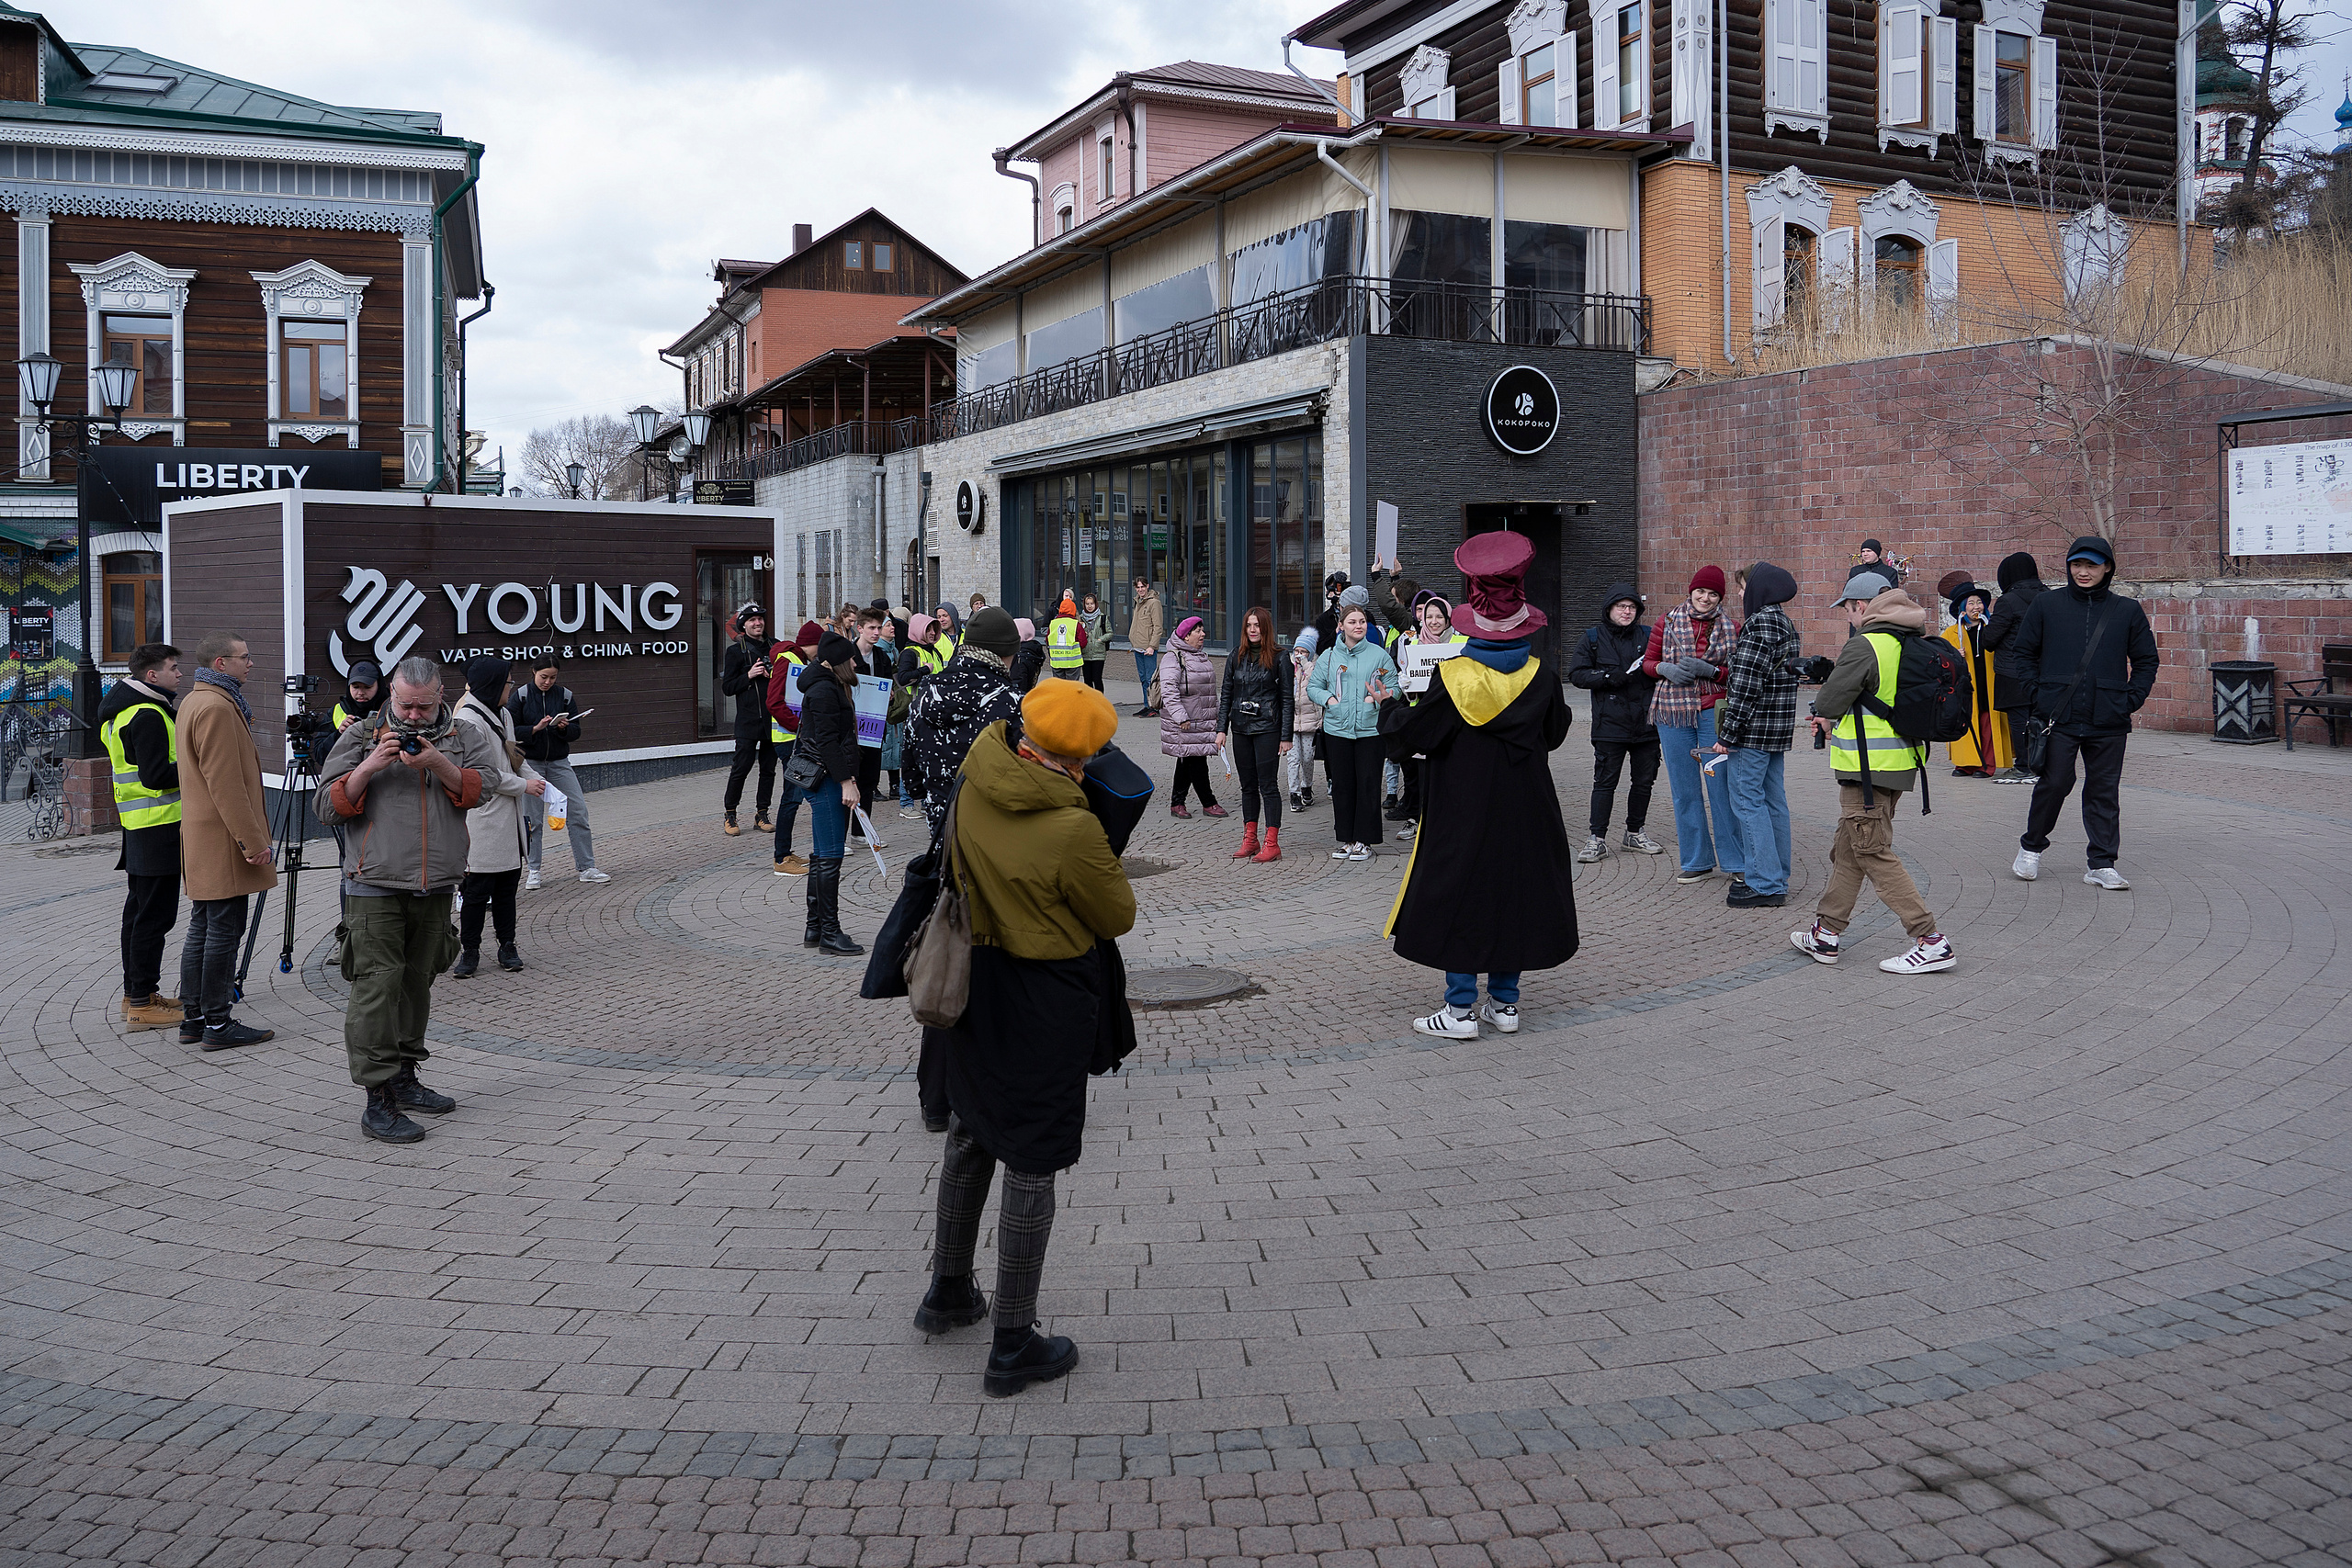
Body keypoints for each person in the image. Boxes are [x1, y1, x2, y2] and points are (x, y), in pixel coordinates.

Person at [914, 679, 1135, 1398]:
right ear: (1075, 758)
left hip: (977, 978)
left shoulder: (976, 775)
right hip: (1044, 995)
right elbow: (1117, 911)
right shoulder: (1073, 827)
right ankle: (1013, 1341)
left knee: (973, 1129)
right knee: (1032, 1156)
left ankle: (949, 1289)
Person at [1379, 531, 1577, 1039]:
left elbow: (1413, 737)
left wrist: (1388, 706)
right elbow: (1555, 735)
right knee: (1513, 890)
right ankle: (1505, 1004)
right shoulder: (1541, 675)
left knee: (1461, 894)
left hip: (1463, 808)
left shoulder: (1454, 674)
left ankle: (1461, 1010)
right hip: (1527, 805)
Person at [316, 656, 499, 1142]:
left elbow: (485, 789)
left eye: (423, 706)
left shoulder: (463, 737)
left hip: (436, 882)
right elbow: (326, 807)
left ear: (442, 695)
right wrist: (372, 765)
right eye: (404, 705)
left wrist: (437, 762)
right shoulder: (359, 737)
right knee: (377, 987)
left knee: (418, 981)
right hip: (373, 882)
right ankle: (377, 1100)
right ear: (390, 694)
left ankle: (405, 1078)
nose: (413, 716)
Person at [1792, 584, 1956, 975]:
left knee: (1871, 851)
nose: (1849, 617)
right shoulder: (1909, 642)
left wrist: (1826, 701)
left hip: (1867, 768)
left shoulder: (1867, 644)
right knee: (1851, 847)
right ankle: (1826, 933)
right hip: (1898, 764)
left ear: (1861, 606)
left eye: (1848, 609)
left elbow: (1830, 701)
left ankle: (1930, 939)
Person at [2010, 536, 2159, 891]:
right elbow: (2023, 654)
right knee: (2055, 783)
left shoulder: (2127, 610)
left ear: (2107, 568)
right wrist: (2037, 693)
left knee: (2104, 790)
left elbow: (2145, 660)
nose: (2083, 572)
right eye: (2077, 565)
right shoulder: (2047, 605)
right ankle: (2031, 846)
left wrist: (2131, 699)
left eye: (2092, 565)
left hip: (2108, 716)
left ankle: (2102, 863)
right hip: (2057, 714)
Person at [175, 631, 277, 1050]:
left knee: (203, 925)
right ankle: (217, 1023)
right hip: (223, 838)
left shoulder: (196, 701)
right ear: (221, 663)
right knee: (222, 929)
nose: (250, 663)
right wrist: (252, 842)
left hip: (207, 835)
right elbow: (226, 785)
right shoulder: (216, 707)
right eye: (244, 657)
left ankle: (194, 1018)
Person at [100, 642, 185, 1032]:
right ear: (152, 676)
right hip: (159, 828)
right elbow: (155, 776)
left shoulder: (126, 710)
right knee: (153, 918)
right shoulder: (148, 714)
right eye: (172, 668)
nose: (179, 674)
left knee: (138, 915)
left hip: (142, 829)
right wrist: (196, 765)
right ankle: (141, 1003)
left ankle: (137, 995)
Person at [1644, 567, 1745, 887]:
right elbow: (1647, 662)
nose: (1705, 598)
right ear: (1691, 592)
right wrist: (1665, 669)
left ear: (1720, 598)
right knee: (1684, 791)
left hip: (1713, 714)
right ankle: (1697, 861)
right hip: (1673, 714)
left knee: (1722, 789)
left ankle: (1735, 861)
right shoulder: (1667, 621)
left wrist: (1712, 672)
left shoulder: (1732, 628)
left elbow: (1738, 673)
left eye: (1713, 594)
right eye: (1701, 591)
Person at [1712, 563, 1803, 909]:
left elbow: (1746, 685)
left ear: (1759, 589)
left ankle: (1764, 883)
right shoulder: (1785, 623)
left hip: (1752, 732)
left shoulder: (1760, 623)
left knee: (1747, 803)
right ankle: (1775, 875)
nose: (1739, 593)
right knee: (1773, 802)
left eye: (1743, 587)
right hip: (1776, 730)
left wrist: (1728, 734)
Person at [450, 656, 546, 978]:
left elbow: (513, 757)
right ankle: (470, 951)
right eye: (508, 683)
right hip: (484, 816)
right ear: (493, 685)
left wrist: (537, 780)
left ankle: (508, 945)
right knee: (476, 890)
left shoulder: (501, 712)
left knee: (507, 887)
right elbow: (484, 774)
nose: (511, 688)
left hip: (509, 816)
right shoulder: (467, 719)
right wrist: (524, 785)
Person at [1566, 585, 1664, 863]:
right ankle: (1597, 839)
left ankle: (1635, 832)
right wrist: (1608, 677)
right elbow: (1577, 674)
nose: (1626, 612)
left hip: (1647, 723)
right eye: (1621, 606)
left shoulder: (1649, 636)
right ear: (1609, 609)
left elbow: (1663, 665)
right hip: (1610, 724)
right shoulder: (1593, 638)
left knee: (1644, 782)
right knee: (1605, 783)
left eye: (1632, 607)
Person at [795, 632, 867, 955]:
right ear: (838, 662)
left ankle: (815, 927)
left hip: (829, 779)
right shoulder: (824, 690)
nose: (855, 662)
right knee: (830, 856)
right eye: (850, 657)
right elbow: (826, 742)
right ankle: (829, 933)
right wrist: (845, 782)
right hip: (826, 782)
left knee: (822, 854)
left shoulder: (828, 685)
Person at [511, 656, 608, 887]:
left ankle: (587, 867)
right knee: (532, 819)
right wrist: (535, 729)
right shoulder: (521, 695)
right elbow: (509, 730)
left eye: (553, 677)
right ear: (533, 671)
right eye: (543, 677)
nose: (548, 682)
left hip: (559, 762)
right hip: (530, 764)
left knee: (578, 811)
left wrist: (565, 728)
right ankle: (534, 870)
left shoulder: (565, 695)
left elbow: (576, 731)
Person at [1307, 603, 1394, 861]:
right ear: (1341, 626)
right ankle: (1347, 839)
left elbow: (1394, 683)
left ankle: (1365, 840)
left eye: (1362, 622)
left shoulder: (1379, 655)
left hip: (1370, 732)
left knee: (1368, 785)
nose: (1359, 626)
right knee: (1343, 787)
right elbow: (1313, 686)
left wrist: (1378, 698)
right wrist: (1330, 701)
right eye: (1353, 622)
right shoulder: (1330, 656)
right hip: (1338, 731)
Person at [1216, 605, 1295, 863]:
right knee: (1247, 786)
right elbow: (1226, 694)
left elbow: (1287, 699)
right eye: (1249, 626)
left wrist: (1286, 736)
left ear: (1266, 628)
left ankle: (1272, 843)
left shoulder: (1281, 657)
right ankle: (1250, 838)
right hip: (1240, 728)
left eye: (1257, 625)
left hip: (1268, 728)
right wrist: (1220, 730)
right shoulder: (1235, 656)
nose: (1253, 630)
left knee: (1268, 786)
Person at [1386, 592, 1464, 840]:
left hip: (1452, 718)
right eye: (1428, 616)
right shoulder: (1414, 646)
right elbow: (1408, 685)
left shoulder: (1460, 643)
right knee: (1419, 775)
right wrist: (1407, 685)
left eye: (1439, 616)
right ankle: (1416, 819)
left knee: (1448, 772)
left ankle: (1446, 821)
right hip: (1423, 717)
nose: (1433, 621)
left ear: (1448, 618)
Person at [1981, 551, 2047, 783]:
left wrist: (1984, 627)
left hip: (2013, 671)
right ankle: (2043, 763)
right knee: (2041, 720)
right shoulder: (2049, 596)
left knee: (2019, 721)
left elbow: (1989, 639)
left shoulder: (2007, 601)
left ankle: (2024, 766)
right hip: (2045, 671)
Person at [765, 619, 822, 875]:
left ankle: (785, 853)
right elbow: (774, 702)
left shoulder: (796, 661)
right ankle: (781, 859)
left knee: (794, 797)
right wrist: (799, 726)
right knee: (791, 798)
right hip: (790, 741)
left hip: (794, 739)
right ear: (813, 644)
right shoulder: (788, 661)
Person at [1940, 582, 2011, 777]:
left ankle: (1986, 765)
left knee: (1988, 723)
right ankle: (1965, 764)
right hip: (1964, 686)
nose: (1976, 607)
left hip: (1988, 684)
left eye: (1979, 603)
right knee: (1965, 721)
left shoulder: (1992, 629)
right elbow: (1942, 660)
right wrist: (1955, 655)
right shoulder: (1951, 634)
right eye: (1970, 603)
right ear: (1963, 608)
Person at [718, 603, 776, 837]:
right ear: (744, 624)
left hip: (773, 720)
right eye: (752, 620)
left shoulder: (775, 646)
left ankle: (762, 813)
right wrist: (748, 676)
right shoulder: (736, 651)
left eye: (760, 619)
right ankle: (730, 813)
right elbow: (727, 688)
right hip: (748, 721)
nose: (757, 623)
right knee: (741, 768)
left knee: (769, 770)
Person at [1159, 615, 1225, 818]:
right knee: (1196, 760)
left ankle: (1177, 803)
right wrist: (1181, 717)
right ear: (1186, 636)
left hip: (1202, 720)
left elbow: (1209, 691)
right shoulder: (1173, 658)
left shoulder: (1200, 656)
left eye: (1202, 630)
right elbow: (1168, 691)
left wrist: (1219, 716)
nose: (1203, 634)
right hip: (1186, 721)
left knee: (1187, 759)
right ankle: (1208, 802)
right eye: (1198, 631)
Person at [849, 607, 892, 850]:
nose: (877, 633)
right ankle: (841, 836)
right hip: (852, 729)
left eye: (879, 627)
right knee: (849, 782)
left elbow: (887, 687)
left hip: (874, 728)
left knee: (869, 781)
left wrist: (890, 696)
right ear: (860, 628)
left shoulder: (882, 658)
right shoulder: (848, 655)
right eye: (872, 628)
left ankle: (861, 833)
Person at [1287, 626, 1324, 812]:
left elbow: (1316, 684)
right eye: (1297, 651)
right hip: (1292, 721)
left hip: (1310, 720)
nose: (1299, 655)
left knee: (1308, 758)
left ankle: (1306, 786)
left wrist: (1306, 666)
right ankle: (1294, 793)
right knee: (1293, 758)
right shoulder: (1288, 667)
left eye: (1303, 652)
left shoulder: (1314, 668)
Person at [1126, 577, 1165, 716]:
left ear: (1147, 586)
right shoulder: (1138, 602)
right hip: (1138, 647)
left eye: (1142, 587)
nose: (1140, 589)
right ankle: (1146, 705)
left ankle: (1154, 707)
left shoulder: (1154, 603)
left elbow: (1158, 627)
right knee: (1143, 679)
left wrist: (1152, 646)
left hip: (1148, 648)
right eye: (1138, 587)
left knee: (1151, 679)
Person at [332, 661, 382, 730]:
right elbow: (320, 740)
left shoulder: (391, 708)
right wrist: (339, 734)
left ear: (379, 686)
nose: (360, 693)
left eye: (367, 687)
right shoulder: (339, 709)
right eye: (356, 687)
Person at [1077, 592, 1110, 692]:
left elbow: (1110, 633)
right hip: (1086, 653)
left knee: (1097, 679)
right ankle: (1089, 703)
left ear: (1095, 604)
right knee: (1087, 680)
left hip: (1098, 653)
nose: (1090, 606)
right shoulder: (1080, 618)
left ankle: (1099, 702)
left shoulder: (1102, 618)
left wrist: (1099, 640)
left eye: (1092, 603)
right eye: (1087, 604)